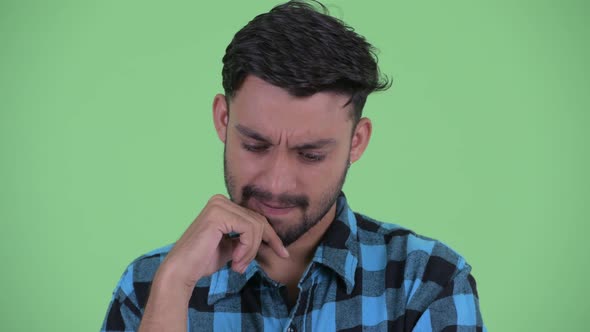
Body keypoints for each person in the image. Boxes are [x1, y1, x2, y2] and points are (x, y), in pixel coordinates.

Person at [101, 1, 485, 331]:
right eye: (255, 145)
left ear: (357, 142)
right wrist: (172, 288)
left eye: (310, 154)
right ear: (222, 119)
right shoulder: (148, 288)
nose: (277, 182)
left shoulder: (427, 284)